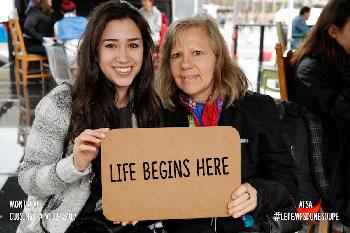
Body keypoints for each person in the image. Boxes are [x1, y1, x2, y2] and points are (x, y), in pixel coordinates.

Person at [16, 1, 162, 232]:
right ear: (95, 51)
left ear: (144, 51)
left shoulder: (150, 106)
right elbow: (28, 180)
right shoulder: (62, 103)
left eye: (133, 45)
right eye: (111, 45)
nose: (124, 57)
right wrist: (74, 163)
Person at [158, 14, 298, 233]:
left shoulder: (257, 108)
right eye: (176, 55)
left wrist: (257, 193)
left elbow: (287, 179)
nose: (185, 64)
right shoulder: (159, 116)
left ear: (218, 57)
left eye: (197, 53)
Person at [290, 0, 350, 230]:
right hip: (328, 168)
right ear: (333, 31)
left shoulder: (340, 61)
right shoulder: (311, 69)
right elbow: (345, 116)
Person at [54, 0, 87, 68]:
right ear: (75, 10)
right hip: (86, 59)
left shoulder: (57, 24)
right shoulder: (85, 21)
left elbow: (58, 42)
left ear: (62, 12)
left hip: (69, 61)